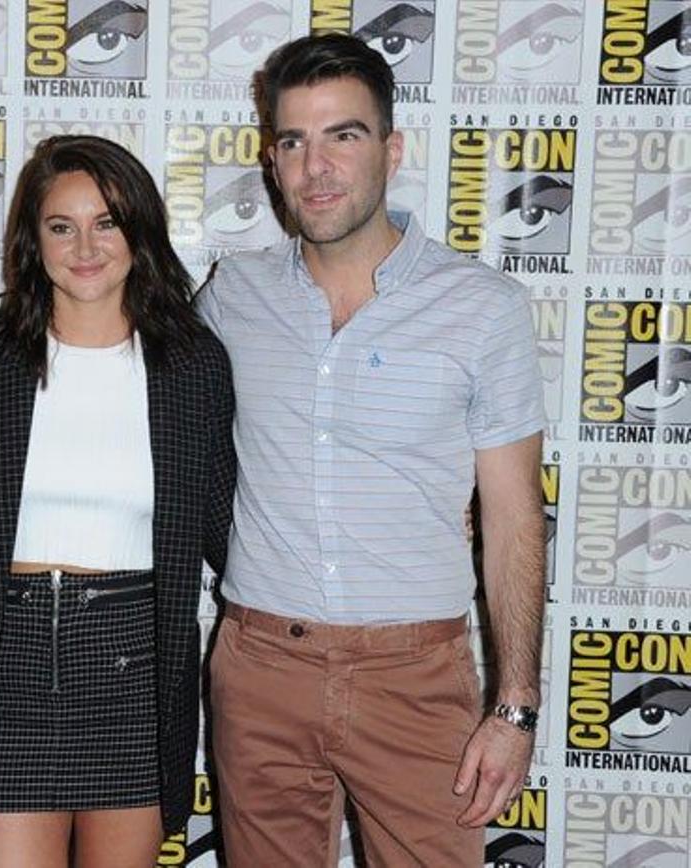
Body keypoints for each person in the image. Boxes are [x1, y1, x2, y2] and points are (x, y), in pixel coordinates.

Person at [198, 34, 546, 866]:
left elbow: (513, 517)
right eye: (293, 141)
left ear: (391, 149)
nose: (316, 167)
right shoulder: (231, 296)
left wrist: (517, 707)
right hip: (258, 669)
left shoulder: (482, 307)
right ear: (271, 159)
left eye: (343, 135)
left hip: (416, 676)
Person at [0, 135, 236, 868]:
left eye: (108, 222)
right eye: (62, 226)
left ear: (141, 232)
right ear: (34, 242)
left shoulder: (191, 364)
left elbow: (229, 528)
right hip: (2, 660)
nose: (86, 246)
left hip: (135, 662)